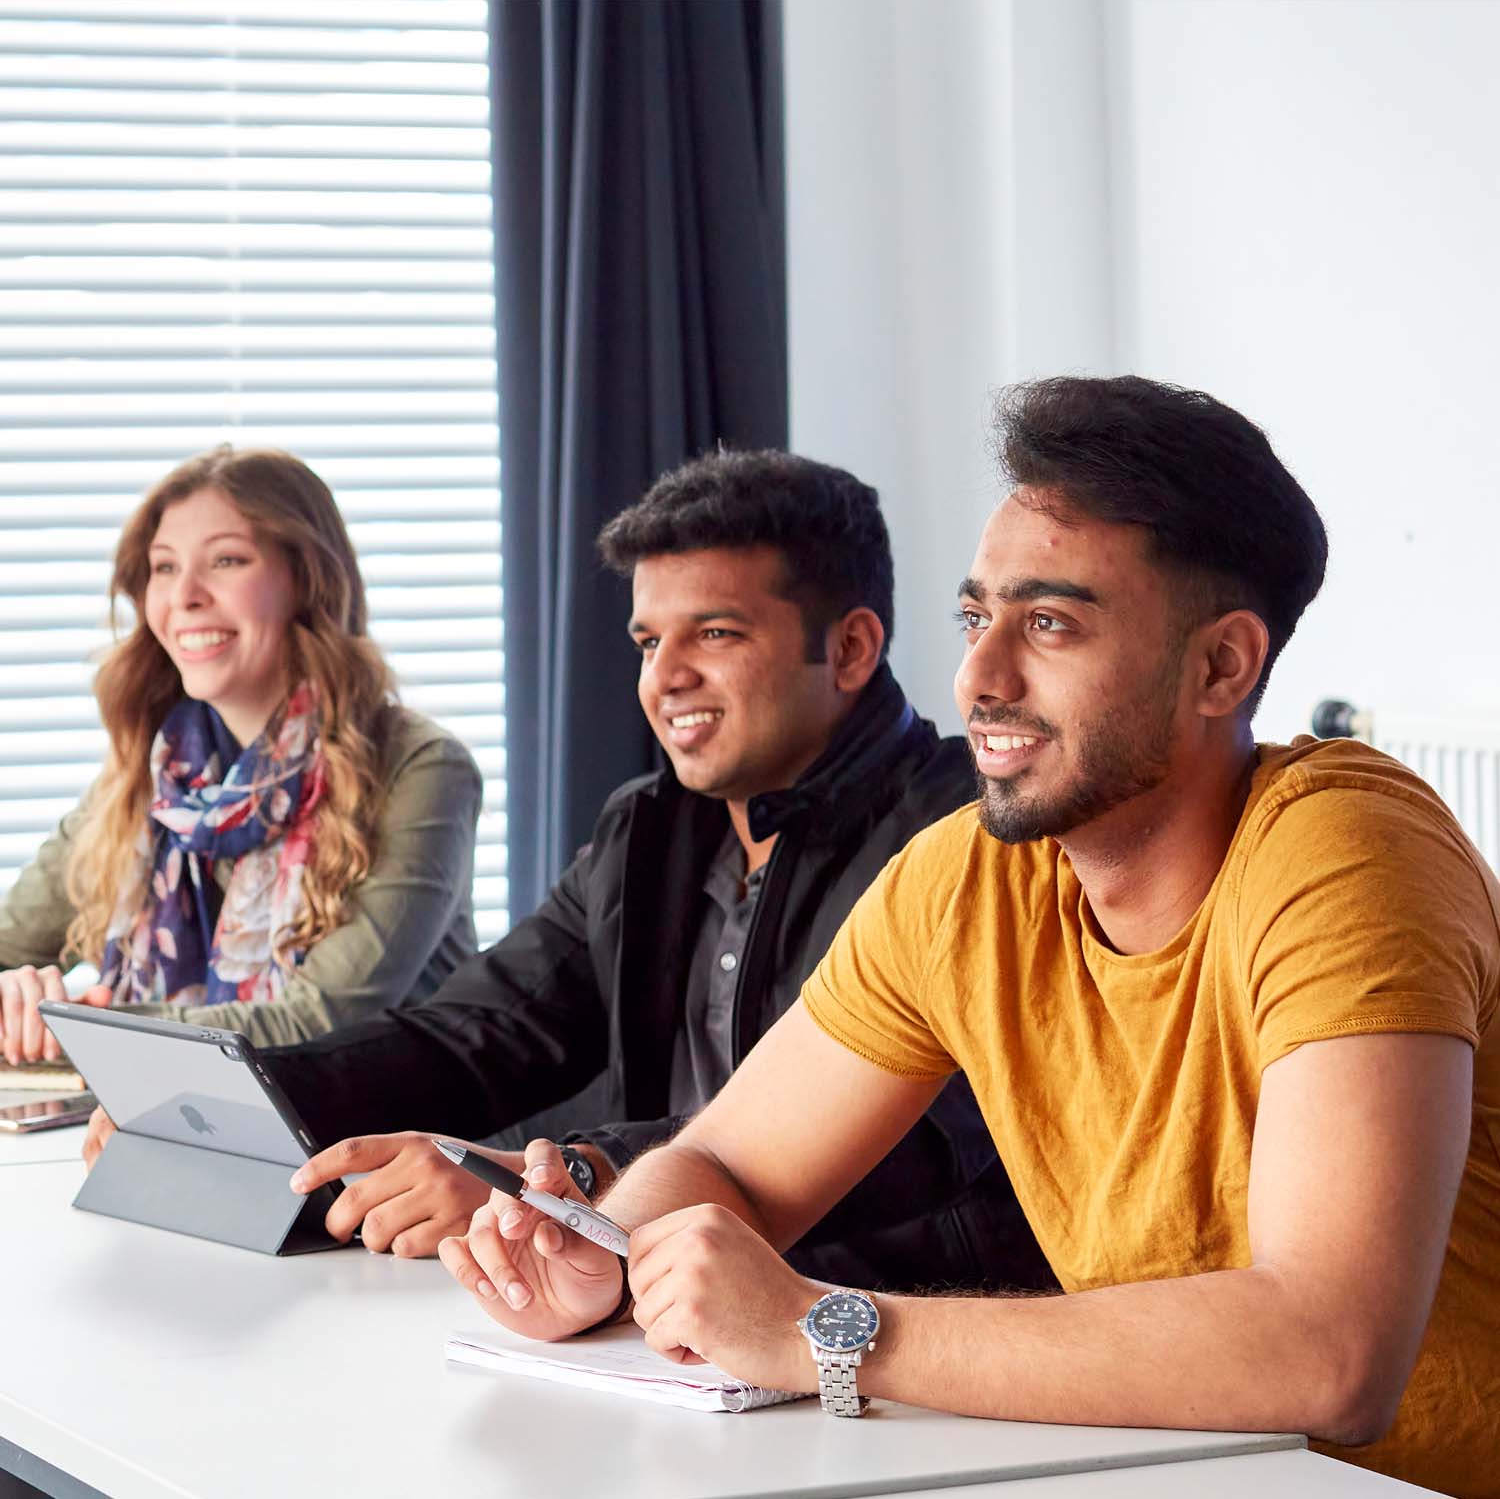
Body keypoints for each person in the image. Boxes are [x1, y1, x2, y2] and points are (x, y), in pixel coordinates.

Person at [439, 379, 1499, 1499]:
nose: (979, 679)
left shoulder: (1345, 849)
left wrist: (824, 1331)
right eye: (975, 618)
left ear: (1221, 667)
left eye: (1049, 624)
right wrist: (603, 1257)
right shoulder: (970, 877)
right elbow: (727, 1166)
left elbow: (1327, 1353)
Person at [261, 450, 1050, 1293]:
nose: (665, 677)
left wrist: (581, 1185)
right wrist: (246, 1102)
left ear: (851, 648)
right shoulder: (647, 828)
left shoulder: (977, 837)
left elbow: (927, 1138)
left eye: (716, 633)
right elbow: (480, 1036)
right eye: (648, 640)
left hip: (898, 1333)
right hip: (661, 1322)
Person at [0, 446, 482, 1066]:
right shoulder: (147, 779)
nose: (186, 596)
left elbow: (325, 1019)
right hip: (192, 1132)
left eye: (226, 560)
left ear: (307, 581)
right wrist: (15, 1000)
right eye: (164, 568)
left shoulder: (421, 768)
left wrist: (87, 1028)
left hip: (393, 1143)